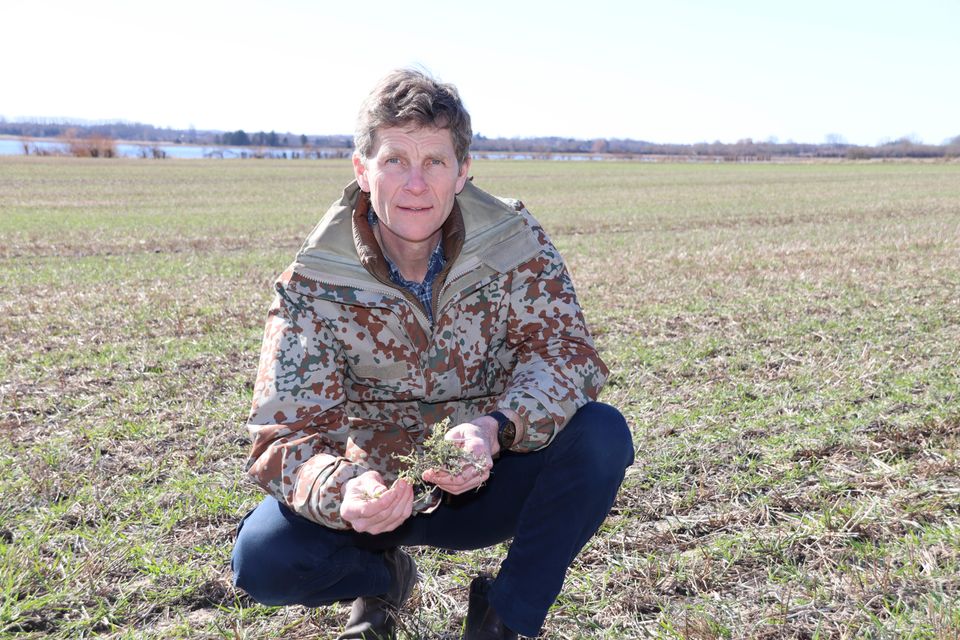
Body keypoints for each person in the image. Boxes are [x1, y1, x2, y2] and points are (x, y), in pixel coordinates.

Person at [231, 69, 634, 640]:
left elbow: (565, 354)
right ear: (362, 170)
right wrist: (344, 490)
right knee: (263, 560)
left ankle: (504, 619)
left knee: (601, 435)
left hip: (490, 479)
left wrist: (498, 428)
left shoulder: (515, 247)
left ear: (463, 171)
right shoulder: (314, 284)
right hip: (377, 500)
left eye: (435, 162)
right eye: (395, 160)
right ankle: (383, 580)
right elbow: (283, 435)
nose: (415, 184)